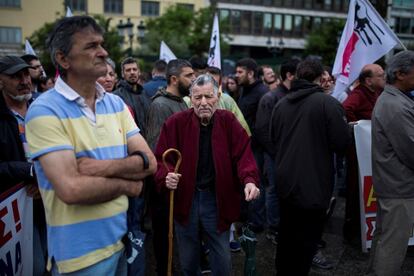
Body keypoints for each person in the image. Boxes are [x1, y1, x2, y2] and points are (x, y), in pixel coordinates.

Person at [25, 16, 156, 275]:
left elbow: (149, 162)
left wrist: (94, 167)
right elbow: (72, 189)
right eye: (91, 46)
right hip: (78, 259)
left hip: (119, 243)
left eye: (102, 44)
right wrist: (127, 185)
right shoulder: (44, 110)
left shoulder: (115, 104)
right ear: (63, 59)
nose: (104, 52)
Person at [154, 74, 260, 275]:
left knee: (222, 259)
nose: (203, 102)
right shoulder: (176, 122)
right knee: (188, 258)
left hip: (217, 198)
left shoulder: (228, 121)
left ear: (218, 97)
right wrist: (166, 175)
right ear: (190, 99)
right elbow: (162, 158)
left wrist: (249, 180)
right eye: (198, 97)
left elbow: (243, 155)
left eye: (208, 97)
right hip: (186, 198)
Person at [270, 58, 349, 275]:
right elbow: (342, 143)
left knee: (286, 237)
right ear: (319, 77)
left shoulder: (281, 103)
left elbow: (273, 138)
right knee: (306, 242)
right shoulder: (328, 104)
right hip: (314, 184)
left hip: (286, 182)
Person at [146, 59, 195, 276]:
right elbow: (157, 149)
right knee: (164, 233)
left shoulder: (182, 101)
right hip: (165, 182)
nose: (193, 79)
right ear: (174, 79)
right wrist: (165, 177)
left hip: (181, 178)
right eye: (189, 75)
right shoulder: (160, 105)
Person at [367, 51, 414, 276]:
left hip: (393, 183)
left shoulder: (395, 100)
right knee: (393, 244)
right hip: (400, 186)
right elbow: (411, 150)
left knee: (385, 237)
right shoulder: (396, 105)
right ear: (400, 74)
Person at [0, 55, 47, 275]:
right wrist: (29, 172)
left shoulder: (45, 108)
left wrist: (44, 181)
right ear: (0, 81)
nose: (24, 80)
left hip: (51, 199)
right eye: (15, 76)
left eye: (26, 74)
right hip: (16, 210)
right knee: (34, 267)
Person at [255, 58, 299, 245]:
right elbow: (262, 131)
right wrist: (277, 154)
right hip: (275, 156)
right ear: (289, 75)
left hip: (291, 156)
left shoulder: (295, 96)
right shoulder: (271, 98)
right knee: (273, 191)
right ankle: (274, 229)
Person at [342, 64, 385, 242]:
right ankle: (352, 233)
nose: (384, 77)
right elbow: (345, 109)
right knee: (356, 190)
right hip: (358, 153)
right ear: (368, 80)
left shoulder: (375, 92)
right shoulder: (359, 94)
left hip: (369, 152)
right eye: (380, 75)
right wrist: (357, 126)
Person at [235, 57, 269, 232]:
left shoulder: (262, 93)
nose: (236, 75)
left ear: (250, 73)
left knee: (255, 183)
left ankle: (256, 222)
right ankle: (246, 217)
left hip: (255, 147)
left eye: (240, 72)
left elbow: (262, 125)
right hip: (244, 146)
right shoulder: (245, 90)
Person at [114, 57, 151, 134]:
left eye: (134, 69)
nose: (132, 72)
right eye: (128, 70)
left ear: (139, 72)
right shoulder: (116, 97)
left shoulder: (145, 94)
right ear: (122, 74)